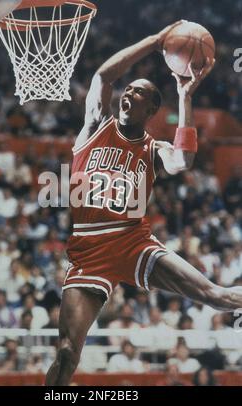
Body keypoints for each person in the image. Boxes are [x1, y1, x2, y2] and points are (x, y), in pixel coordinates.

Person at [45, 22, 242, 386]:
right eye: (129, 88)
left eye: (138, 93)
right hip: (88, 250)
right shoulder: (95, 125)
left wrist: (185, 97)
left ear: (151, 109)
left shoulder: (154, 149)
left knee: (215, 296)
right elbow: (104, 75)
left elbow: (183, 161)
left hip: (133, 241)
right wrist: (154, 42)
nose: (128, 93)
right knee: (67, 352)